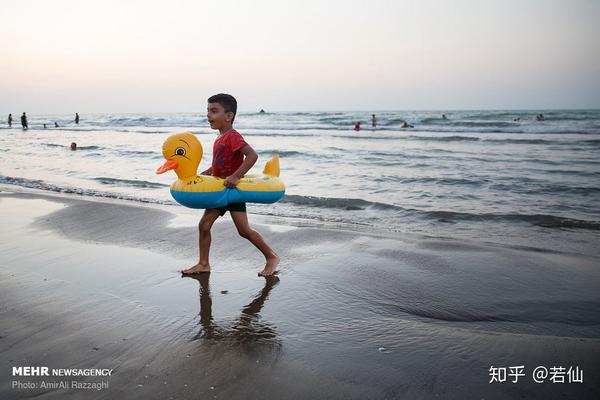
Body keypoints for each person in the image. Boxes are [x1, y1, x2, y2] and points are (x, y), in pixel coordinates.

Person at [181, 93, 280, 277]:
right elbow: (221, 163)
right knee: (204, 225)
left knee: (244, 231)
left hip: (232, 192)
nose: (209, 115)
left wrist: (235, 176)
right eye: (208, 111)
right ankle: (203, 264)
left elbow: (252, 155)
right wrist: (208, 172)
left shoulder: (233, 136)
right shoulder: (220, 138)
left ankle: (271, 256)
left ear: (229, 116)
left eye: (214, 111)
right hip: (219, 192)